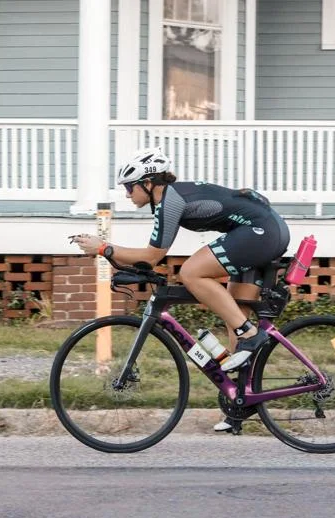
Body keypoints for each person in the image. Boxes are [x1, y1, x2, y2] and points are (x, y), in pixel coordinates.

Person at [72, 147, 291, 432]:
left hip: (260, 232)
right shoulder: (173, 197)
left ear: (148, 184)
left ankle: (249, 334)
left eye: (129, 187)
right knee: (234, 313)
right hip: (265, 229)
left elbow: (151, 257)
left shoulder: (171, 201)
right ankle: (240, 402)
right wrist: (110, 253)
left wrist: (103, 247)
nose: (127, 194)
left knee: (191, 272)